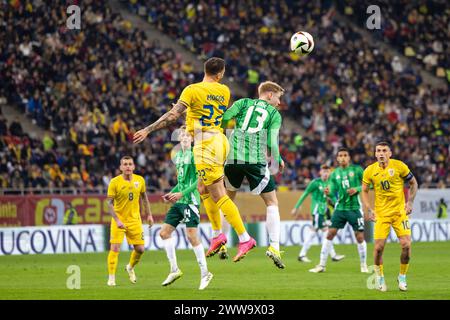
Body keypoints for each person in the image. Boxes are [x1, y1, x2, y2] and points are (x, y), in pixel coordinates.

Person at [133, 57, 256, 262]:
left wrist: (148, 129)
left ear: (205, 70)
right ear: (220, 74)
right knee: (203, 189)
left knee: (219, 195)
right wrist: (189, 113)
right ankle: (217, 236)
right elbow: (202, 116)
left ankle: (244, 238)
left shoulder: (191, 90)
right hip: (219, 141)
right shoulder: (224, 91)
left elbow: (173, 116)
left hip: (206, 146)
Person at [221, 81, 286, 268]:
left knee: (227, 201)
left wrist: (225, 138)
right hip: (255, 161)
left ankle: (222, 241)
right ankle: (274, 246)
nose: (279, 103)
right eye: (278, 98)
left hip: (232, 158)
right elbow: (272, 142)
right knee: (272, 202)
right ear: (269, 95)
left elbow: (225, 118)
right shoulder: (274, 114)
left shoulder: (242, 103)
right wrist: (278, 159)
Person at [159, 127, 213, 290]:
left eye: (187, 135)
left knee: (191, 236)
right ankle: (174, 270)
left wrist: (181, 194)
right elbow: (181, 182)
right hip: (180, 200)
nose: (184, 137)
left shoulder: (195, 155)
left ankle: (205, 273)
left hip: (190, 200)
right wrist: (172, 193)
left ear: (191, 139)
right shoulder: (179, 156)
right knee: (164, 233)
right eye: (181, 135)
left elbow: (198, 182)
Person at [361, 141, 418, 292]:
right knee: (378, 248)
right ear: (375, 153)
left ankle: (402, 276)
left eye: (384, 150)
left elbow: (413, 183)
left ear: (390, 153)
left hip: (400, 213)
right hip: (381, 214)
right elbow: (364, 191)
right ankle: (380, 278)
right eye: (378, 150)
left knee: (406, 245)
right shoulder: (369, 171)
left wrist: (410, 202)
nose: (381, 153)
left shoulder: (399, 166)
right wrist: (368, 208)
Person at [309, 148, 368, 273]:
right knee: (330, 234)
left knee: (360, 237)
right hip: (340, 209)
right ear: (337, 158)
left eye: (345, 155)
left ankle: (363, 265)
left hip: (354, 208)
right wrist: (328, 191)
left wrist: (357, 189)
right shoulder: (335, 173)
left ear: (349, 157)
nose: (342, 158)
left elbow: (369, 184)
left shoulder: (357, 170)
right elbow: (332, 188)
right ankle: (321, 265)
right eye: (340, 155)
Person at [106, 156, 154, 286]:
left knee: (140, 249)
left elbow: (144, 198)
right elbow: (109, 203)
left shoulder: (140, 180)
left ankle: (130, 267)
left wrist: (149, 215)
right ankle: (111, 278)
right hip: (119, 220)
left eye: (130, 164)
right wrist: (116, 220)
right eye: (125, 164)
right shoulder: (114, 182)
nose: (128, 166)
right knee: (115, 248)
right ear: (121, 167)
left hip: (135, 220)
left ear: (133, 167)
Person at [291, 165, 345, 263]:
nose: (325, 173)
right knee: (326, 232)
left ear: (330, 173)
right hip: (316, 211)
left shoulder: (329, 184)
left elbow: (332, 196)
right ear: (320, 172)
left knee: (315, 232)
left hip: (322, 211)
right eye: (324, 171)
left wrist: (338, 205)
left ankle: (302, 255)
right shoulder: (315, 183)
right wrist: (296, 207)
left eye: (327, 171)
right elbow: (305, 194)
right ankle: (332, 255)